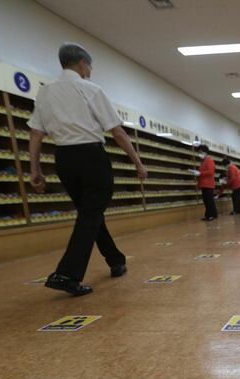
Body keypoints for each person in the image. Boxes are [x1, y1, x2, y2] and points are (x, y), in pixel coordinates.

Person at [28, 43, 147, 297]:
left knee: (90, 213)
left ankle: (116, 259)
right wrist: (137, 161)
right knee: (91, 214)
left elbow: (36, 133)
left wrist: (35, 169)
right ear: (83, 64)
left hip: (64, 159)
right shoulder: (90, 89)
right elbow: (117, 131)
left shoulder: (45, 92)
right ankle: (66, 274)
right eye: (90, 66)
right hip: (91, 157)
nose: (90, 70)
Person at [196, 144, 217, 221]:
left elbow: (211, 172)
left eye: (200, 152)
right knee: (206, 201)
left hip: (208, 184)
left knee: (209, 201)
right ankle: (208, 215)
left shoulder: (209, 160)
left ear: (205, 152)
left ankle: (212, 215)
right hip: (204, 184)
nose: (199, 154)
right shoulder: (203, 162)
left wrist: (200, 173)